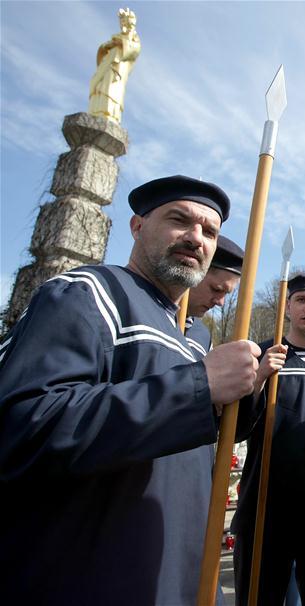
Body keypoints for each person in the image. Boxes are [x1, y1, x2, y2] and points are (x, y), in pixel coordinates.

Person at [0, 175, 261, 604]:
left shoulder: (192, 338)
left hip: (175, 575)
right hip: (93, 577)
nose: (196, 238)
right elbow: (27, 426)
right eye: (179, 220)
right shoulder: (86, 295)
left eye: (209, 231)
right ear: (137, 226)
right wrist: (198, 386)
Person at [231, 273, 305, 606]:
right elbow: (235, 429)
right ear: (287, 307)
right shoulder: (260, 354)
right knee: (257, 596)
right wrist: (259, 377)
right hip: (266, 504)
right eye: (300, 300)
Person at [184, 234, 244, 355]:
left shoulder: (203, 337)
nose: (221, 302)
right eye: (216, 289)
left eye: (226, 293)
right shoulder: (147, 313)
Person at [88, 7, 141, 123]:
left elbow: (135, 50)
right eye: (121, 21)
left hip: (117, 66)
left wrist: (121, 43)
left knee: (111, 87)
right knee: (98, 84)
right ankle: (96, 111)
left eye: (124, 20)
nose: (122, 23)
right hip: (107, 63)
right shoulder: (116, 36)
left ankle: (109, 113)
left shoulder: (133, 37)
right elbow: (103, 48)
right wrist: (107, 46)